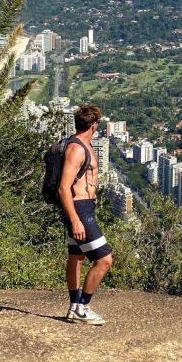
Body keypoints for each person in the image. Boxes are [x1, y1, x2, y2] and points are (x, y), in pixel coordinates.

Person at [59, 104, 113, 324]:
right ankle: (83, 307)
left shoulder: (83, 145)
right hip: (78, 209)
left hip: (84, 207)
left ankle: (73, 306)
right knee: (104, 259)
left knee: (77, 257)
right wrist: (75, 220)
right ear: (94, 125)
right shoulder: (77, 149)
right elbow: (64, 187)